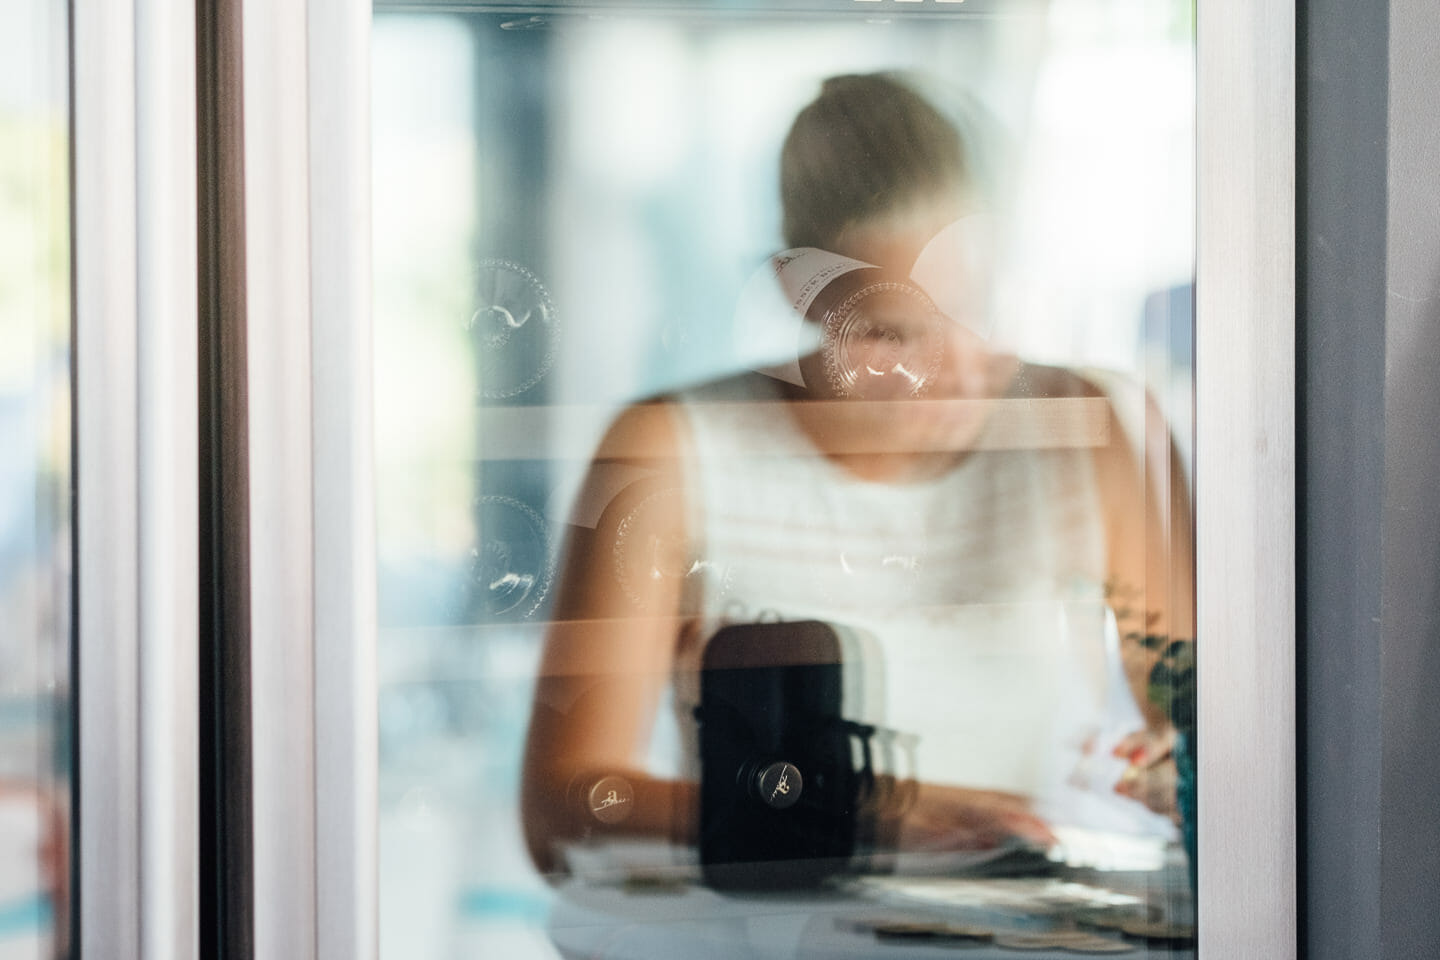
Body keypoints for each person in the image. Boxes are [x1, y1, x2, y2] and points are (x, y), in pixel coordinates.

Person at [520, 73, 1193, 878]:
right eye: (890, 335)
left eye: (977, 309)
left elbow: (1202, 721)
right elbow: (561, 809)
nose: (953, 372)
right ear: (797, 292)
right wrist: (859, 814)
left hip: (1031, 922)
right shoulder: (670, 451)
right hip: (775, 932)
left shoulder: (1090, 431)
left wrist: (1178, 763)